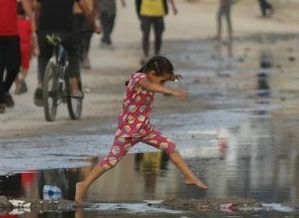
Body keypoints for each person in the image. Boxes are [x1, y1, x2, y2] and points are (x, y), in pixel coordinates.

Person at [74, 56, 207, 203]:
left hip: (144, 128)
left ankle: (189, 177)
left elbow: (155, 83)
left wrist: (172, 78)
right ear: (151, 74)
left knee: (170, 146)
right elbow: (150, 86)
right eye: (162, 80)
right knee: (111, 161)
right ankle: (83, 185)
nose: (162, 84)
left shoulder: (151, 78)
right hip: (128, 130)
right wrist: (172, 92)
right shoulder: (139, 78)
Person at [34, 0, 98, 103]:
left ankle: (41, 84)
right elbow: (87, 11)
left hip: (46, 33)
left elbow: (36, 9)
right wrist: (94, 27)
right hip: (66, 33)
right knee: (73, 53)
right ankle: (74, 87)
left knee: (44, 56)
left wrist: (37, 27)